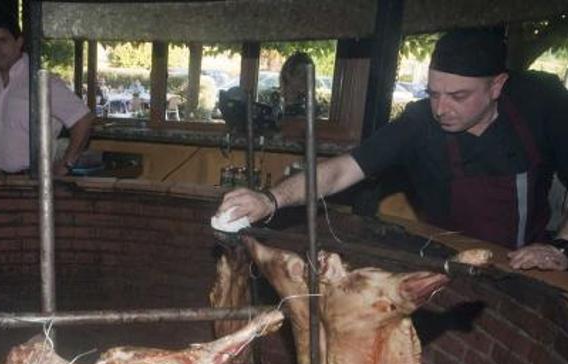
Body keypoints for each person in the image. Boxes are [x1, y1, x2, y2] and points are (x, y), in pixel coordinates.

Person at [219, 28, 568, 272]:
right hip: (454, 260)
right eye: (433, 94)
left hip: (524, 262)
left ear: (497, 86)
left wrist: (561, 248)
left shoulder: (540, 105)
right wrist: (270, 200)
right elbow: (342, 169)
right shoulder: (418, 123)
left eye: (458, 96)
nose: (441, 109)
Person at [0, 9, 93, 175]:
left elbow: (83, 119)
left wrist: (65, 166)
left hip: (31, 182)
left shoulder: (41, 81)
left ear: (19, 42)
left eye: (3, 40)